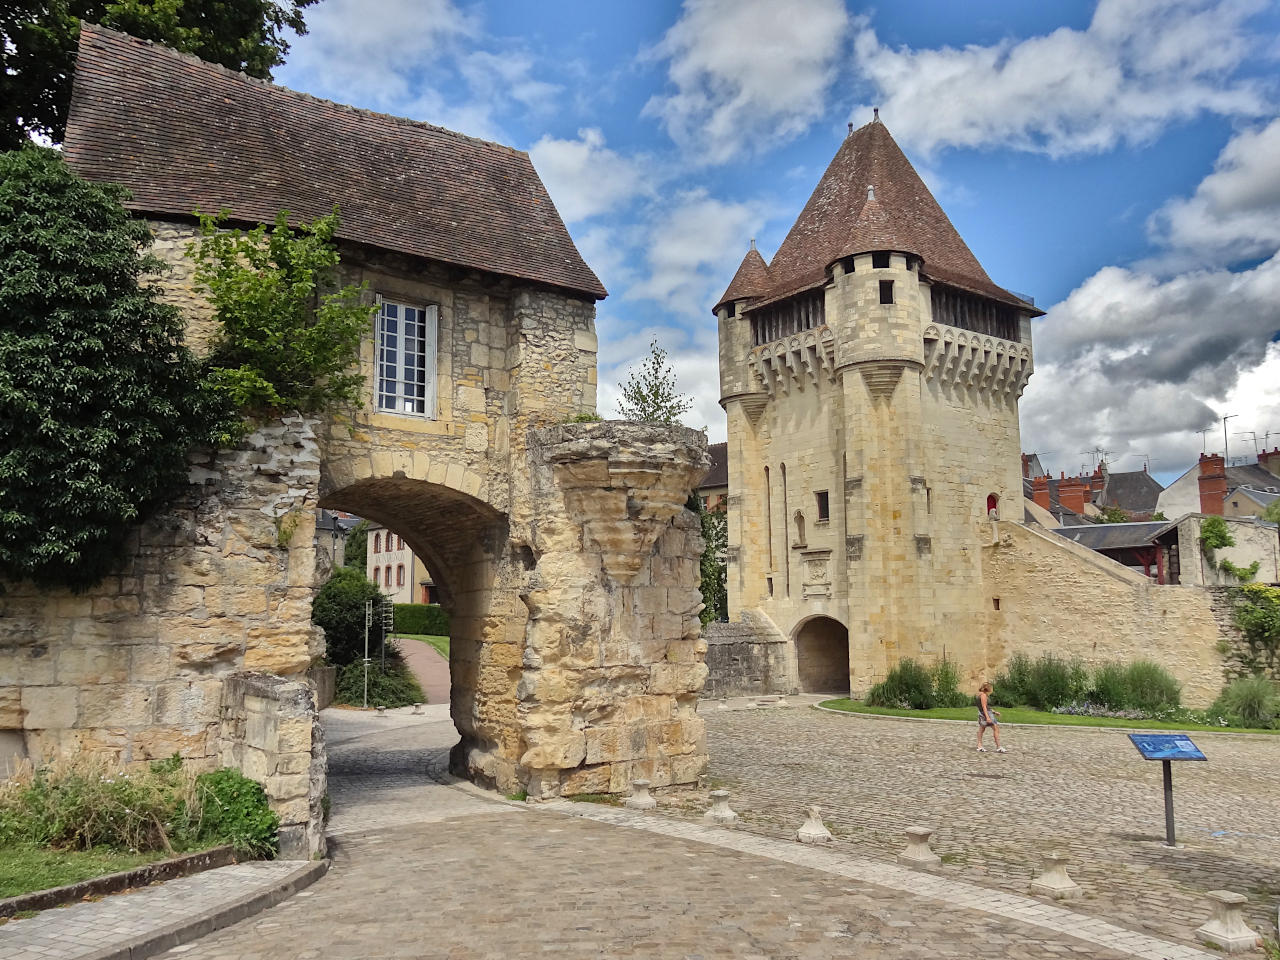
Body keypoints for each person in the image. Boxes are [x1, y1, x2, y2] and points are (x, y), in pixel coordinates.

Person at [976, 682, 1006, 753]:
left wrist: (994, 712)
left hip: (982, 713)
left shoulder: (980, 694)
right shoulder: (983, 695)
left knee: (981, 729)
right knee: (996, 729)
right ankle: (998, 747)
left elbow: (986, 707)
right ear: (988, 688)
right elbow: (984, 707)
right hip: (986, 714)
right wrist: (988, 717)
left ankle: (979, 746)